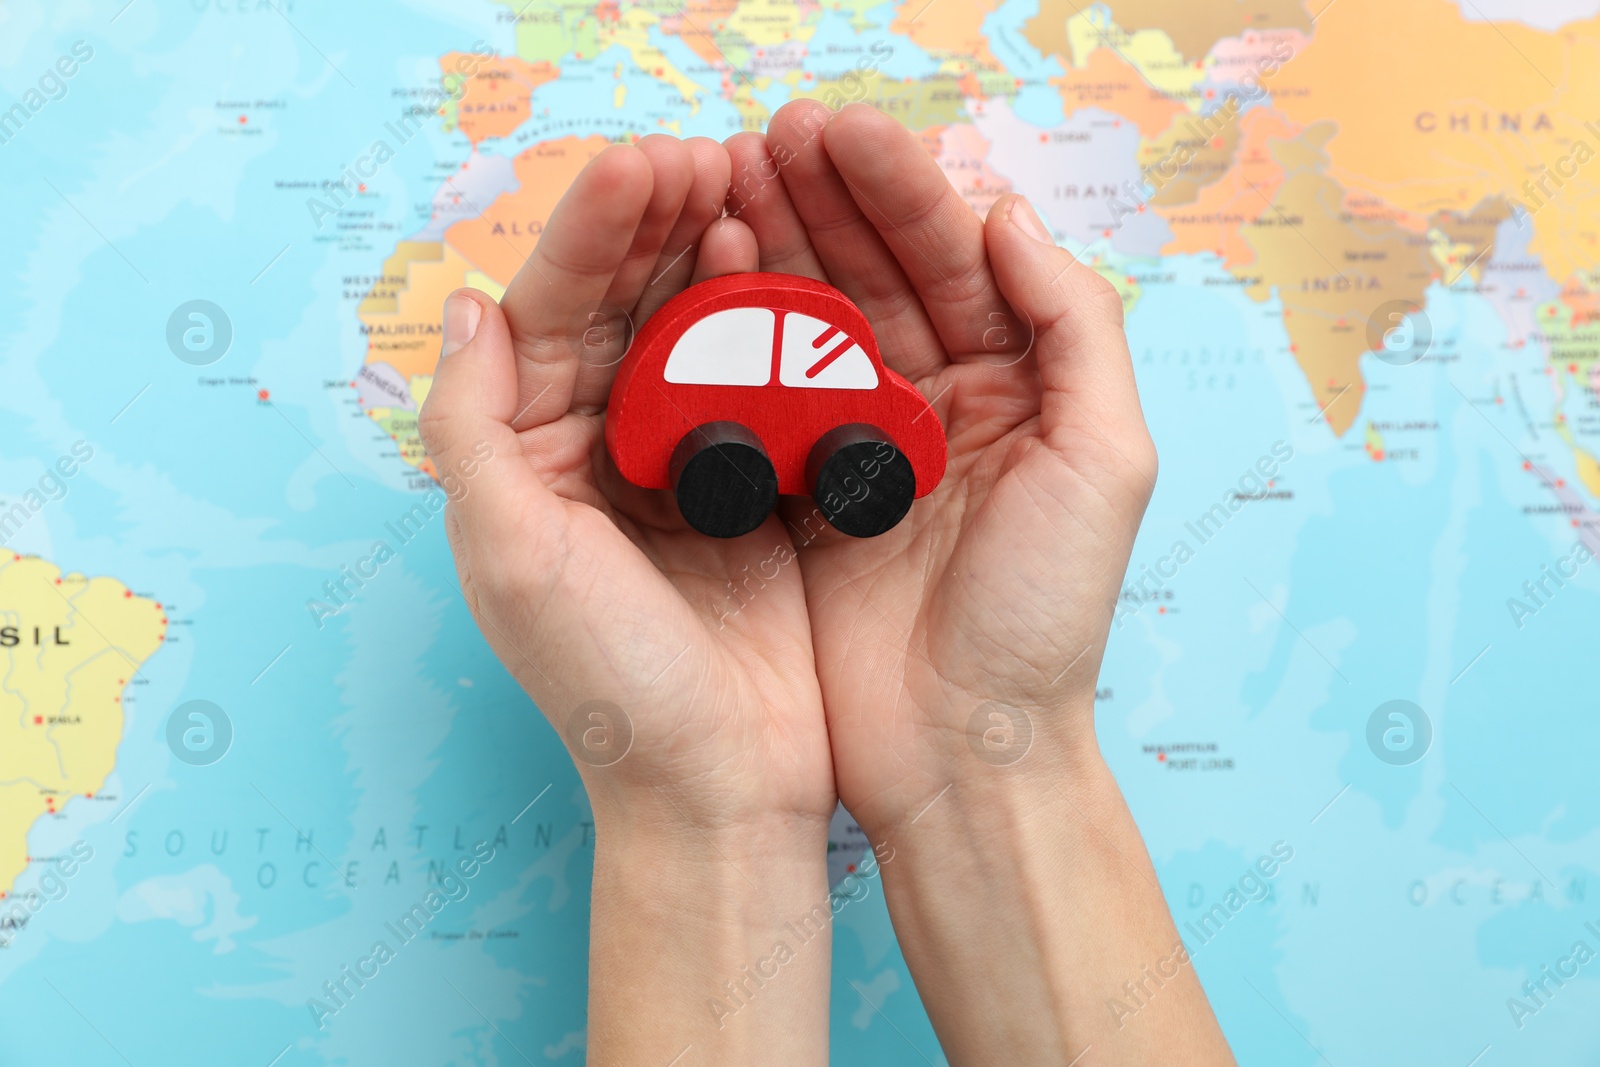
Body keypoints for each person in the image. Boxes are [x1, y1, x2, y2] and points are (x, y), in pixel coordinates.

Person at [417, 99, 1235, 1066]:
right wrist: (706, 800)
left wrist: (981, 748)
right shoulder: (739, 392)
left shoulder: (834, 383)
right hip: (720, 418)